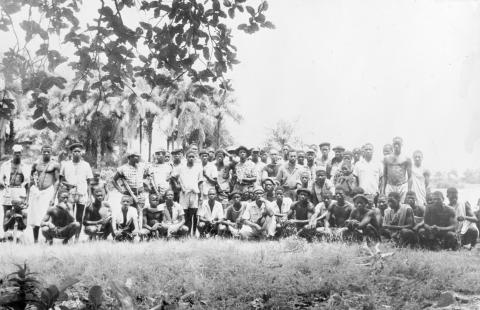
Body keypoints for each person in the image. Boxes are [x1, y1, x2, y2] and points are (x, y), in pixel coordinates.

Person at [59, 142, 94, 240]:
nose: (77, 153)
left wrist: (90, 197)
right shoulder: (65, 164)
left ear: (81, 153)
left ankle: (77, 238)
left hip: (82, 193)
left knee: (79, 217)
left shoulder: (86, 165)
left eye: (79, 151)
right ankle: (69, 236)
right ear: (71, 153)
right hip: (70, 193)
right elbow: (61, 180)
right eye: (75, 151)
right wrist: (68, 185)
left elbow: (89, 182)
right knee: (69, 216)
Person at [30, 145, 61, 243]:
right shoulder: (36, 164)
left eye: (48, 152)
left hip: (49, 192)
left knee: (48, 215)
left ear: (51, 152)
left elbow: (57, 181)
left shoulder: (55, 165)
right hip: (38, 193)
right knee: (36, 216)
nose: (46, 153)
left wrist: (53, 196)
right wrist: (33, 186)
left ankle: (49, 239)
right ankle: (35, 240)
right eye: (44, 151)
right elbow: (31, 175)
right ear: (41, 152)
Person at [172, 150, 203, 235]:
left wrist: (201, 196)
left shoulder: (198, 168)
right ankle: (185, 232)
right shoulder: (181, 167)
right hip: (184, 193)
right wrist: (177, 185)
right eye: (189, 157)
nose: (191, 158)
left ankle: (192, 233)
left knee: (193, 213)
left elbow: (200, 182)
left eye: (193, 157)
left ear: (195, 158)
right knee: (184, 212)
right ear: (186, 158)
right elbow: (173, 176)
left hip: (194, 193)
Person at [0, 145, 29, 224]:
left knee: (20, 214)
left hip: (20, 191)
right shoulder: (5, 165)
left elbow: (27, 184)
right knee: (7, 213)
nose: (17, 155)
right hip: (8, 190)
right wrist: (3, 184)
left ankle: (17, 234)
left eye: (19, 153)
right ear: (12, 153)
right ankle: (6, 232)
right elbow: (1, 179)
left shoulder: (25, 167)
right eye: (15, 153)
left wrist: (27, 199)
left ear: (22, 153)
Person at [382, 137, 412, 203]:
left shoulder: (406, 159)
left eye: (398, 144)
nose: (396, 146)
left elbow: (410, 177)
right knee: (389, 206)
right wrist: (383, 190)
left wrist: (409, 191)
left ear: (402, 145)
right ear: (392, 145)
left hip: (402, 186)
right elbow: (384, 176)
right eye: (395, 144)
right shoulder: (387, 158)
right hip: (390, 185)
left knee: (402, 206)